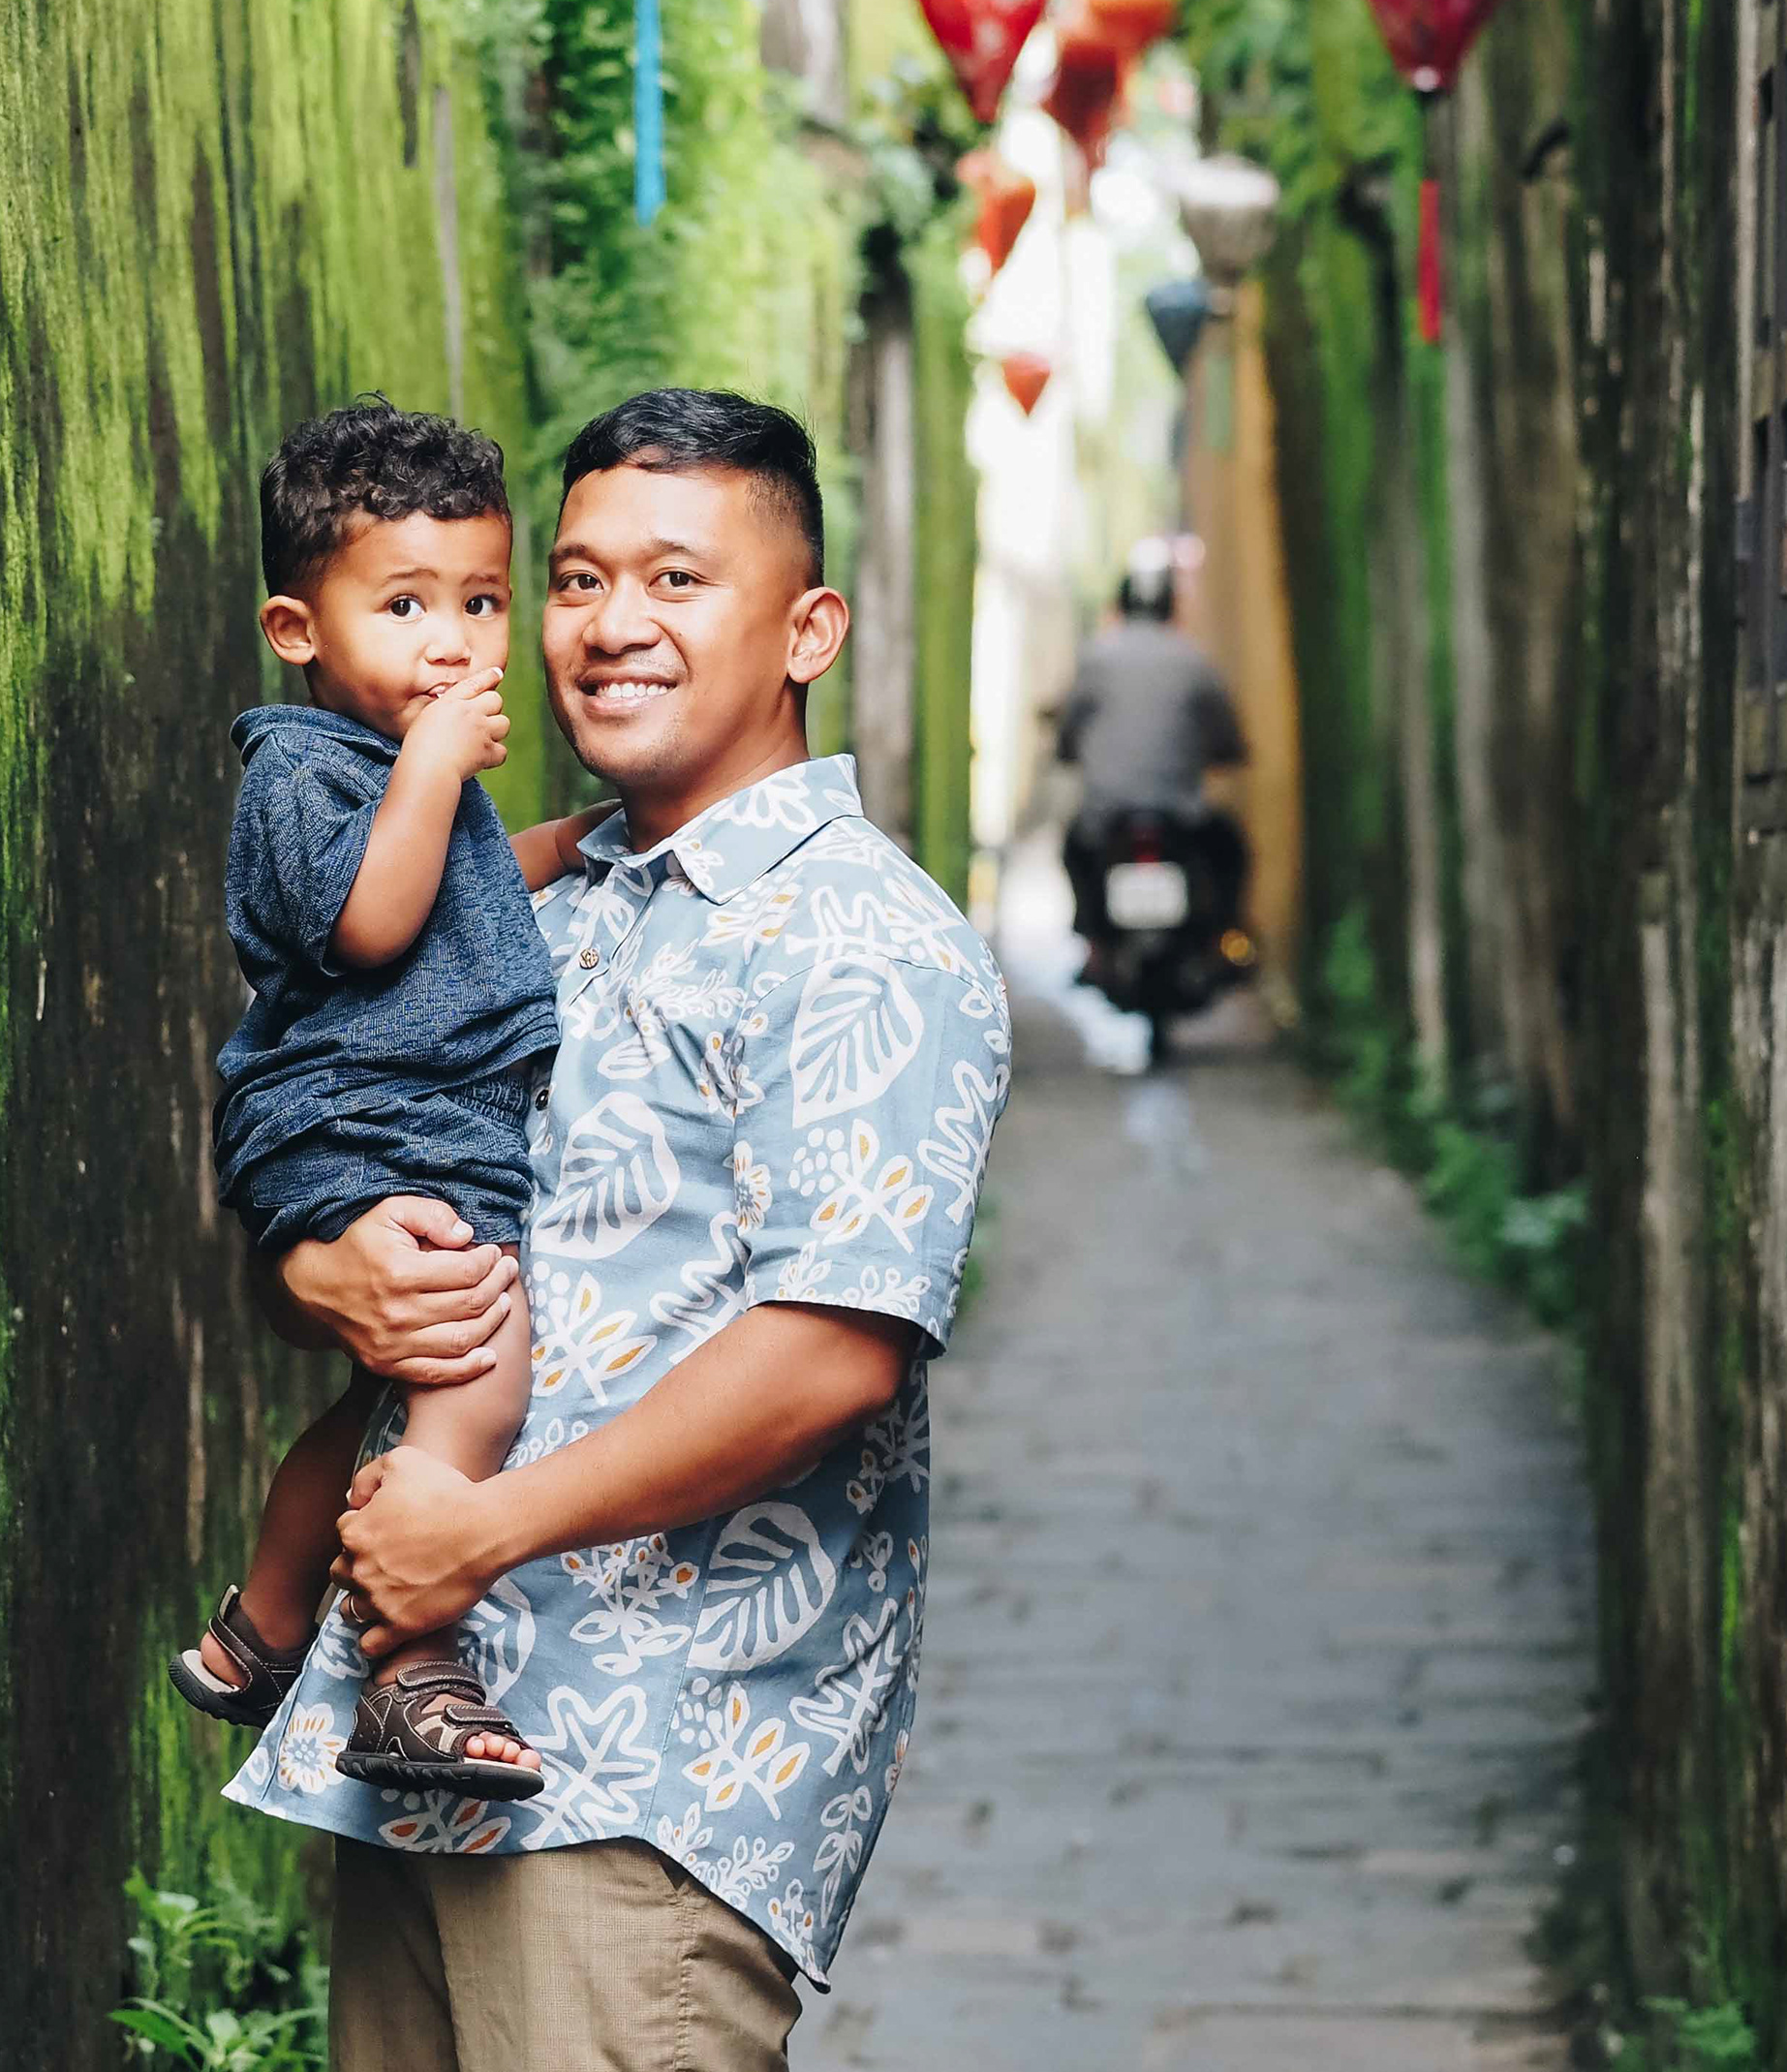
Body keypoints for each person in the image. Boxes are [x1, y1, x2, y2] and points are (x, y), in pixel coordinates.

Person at [230, 387, 1011, 2072]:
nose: (611, 626)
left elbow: (831, 1353)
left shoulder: (866, 946)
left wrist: (481, 1535)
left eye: (675, 579)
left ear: (807, 629)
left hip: (647, 1796)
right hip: (425, 1749)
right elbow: (333, 1137)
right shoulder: (533, 895)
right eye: (575, 582)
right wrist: (314, 1272)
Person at [170, 397, 601, 1800]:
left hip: (408, 1120)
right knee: (479, 1383)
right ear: (299, 632)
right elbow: (369, 924)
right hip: (370, 1121)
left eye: (480, 600)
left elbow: (469, 882)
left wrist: (572, 841)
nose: (454, 639)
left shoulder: (398, 774)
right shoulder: (305, 768)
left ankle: (261, 1629)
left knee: (388, 1401)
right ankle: (411, 1669)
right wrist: (430, 770)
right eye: (405, 603)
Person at [1054, 542, 1249, 970]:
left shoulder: (1096, 657)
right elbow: (1225, 730)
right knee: (1230, 847)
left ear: (1122, 603)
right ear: (1168, 606)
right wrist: (1230, 751)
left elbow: (1069, 727)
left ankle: (1094, 943)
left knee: (1074, 847)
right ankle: (1227, 936)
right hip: (1181, 814)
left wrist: (1065, 750)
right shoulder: (1193, 659)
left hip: (1109, 815)